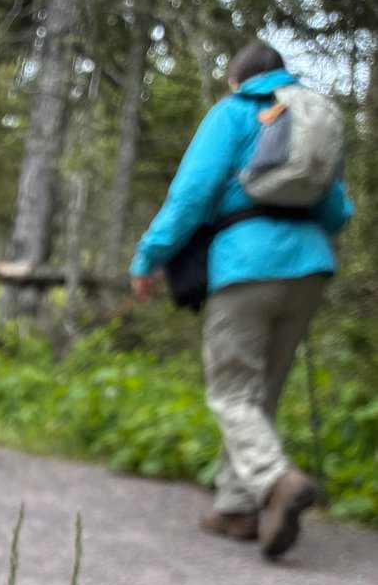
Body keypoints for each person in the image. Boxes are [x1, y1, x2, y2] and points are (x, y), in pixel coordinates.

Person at [129, 41, 352, 558]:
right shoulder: (311, 117)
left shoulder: (233, 113)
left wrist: (148, 257)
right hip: (310, 267)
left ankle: (275, 480)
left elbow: (192, 194)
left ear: (238, 77)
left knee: (232, 390)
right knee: (262, 392)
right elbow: (337, 208)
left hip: (244, 264)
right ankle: (235, 506)